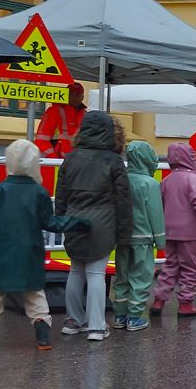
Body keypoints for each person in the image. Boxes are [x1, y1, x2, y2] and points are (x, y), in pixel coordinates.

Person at [0, 140, 88, 353]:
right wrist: (79, 222)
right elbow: (51, 223)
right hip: (29, 252)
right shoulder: (39, 192)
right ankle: (43, 337)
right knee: (35, 296)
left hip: (1, 253)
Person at [55, 111, 132, 342]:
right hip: (104, 223)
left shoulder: (71, 158)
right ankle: (97, 326)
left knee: (76, 271)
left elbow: (61, 195)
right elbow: (123, 200)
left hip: (74, 221)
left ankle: (73, 321)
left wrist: (62, 219)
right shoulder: (114, 161)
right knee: (96, 273)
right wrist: (124, 231)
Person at [110, 141, 167, 331]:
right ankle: (134, 317)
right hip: (143, 238)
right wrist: (161, 240)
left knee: (122, 275)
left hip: (123, 237)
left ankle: (119, 315)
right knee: (141, 276)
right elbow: (156, 214)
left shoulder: (123, 179)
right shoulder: (150, 183)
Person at [153, 143, 196, 317]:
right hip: (190, 232)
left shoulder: (166, 180)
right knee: (190, 268)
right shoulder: (193, 179)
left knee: (170, 265)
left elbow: (160, 204)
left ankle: (159, 300)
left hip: (169, 230)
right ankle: (185, 304)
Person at [34, 83, 87, 159]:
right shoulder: (54, 111)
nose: (76, 98)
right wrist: (54, 159)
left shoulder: (85, 114)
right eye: (74, 95)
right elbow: (41, 141)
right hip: (60, 161)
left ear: (82, 97)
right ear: (67, 95)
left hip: (77, 162)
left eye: (79, 95)